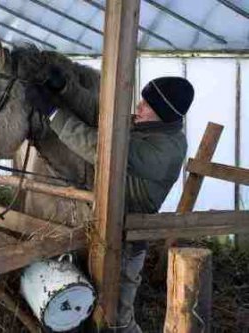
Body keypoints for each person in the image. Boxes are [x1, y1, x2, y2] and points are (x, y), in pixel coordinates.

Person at [23, 67, 194, 332]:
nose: (139, 105)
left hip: (126, 239)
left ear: (163, 111)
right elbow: (101, 114)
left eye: (147, 104)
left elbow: (99, 147)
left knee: (118, 316)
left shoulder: (165, 150)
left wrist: (54, 113)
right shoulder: (147, 126)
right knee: (90, 302)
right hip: (105, 225)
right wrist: (65, 89)